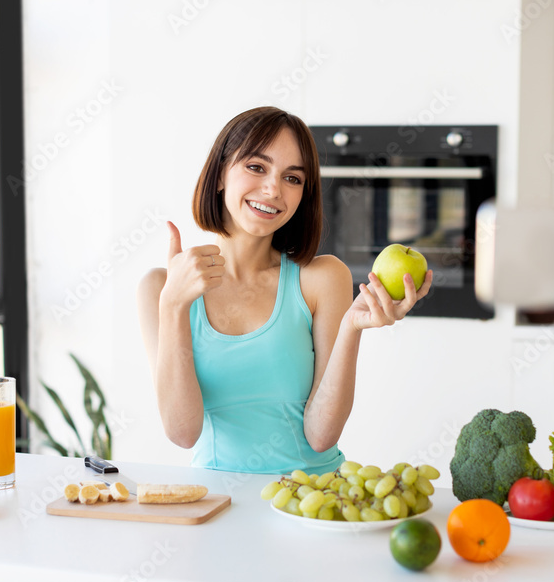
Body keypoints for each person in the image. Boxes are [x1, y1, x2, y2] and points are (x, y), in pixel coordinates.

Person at [136, 107, 432, 475]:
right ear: (220, 175)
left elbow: (320, 436)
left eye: (292, 178)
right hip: (216, 506)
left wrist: (351, 328)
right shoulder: (159, 289)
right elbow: (182, 433)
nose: (273, 189)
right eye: (256, 168)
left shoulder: (321, 278)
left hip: (314, 503)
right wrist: (174, 306)